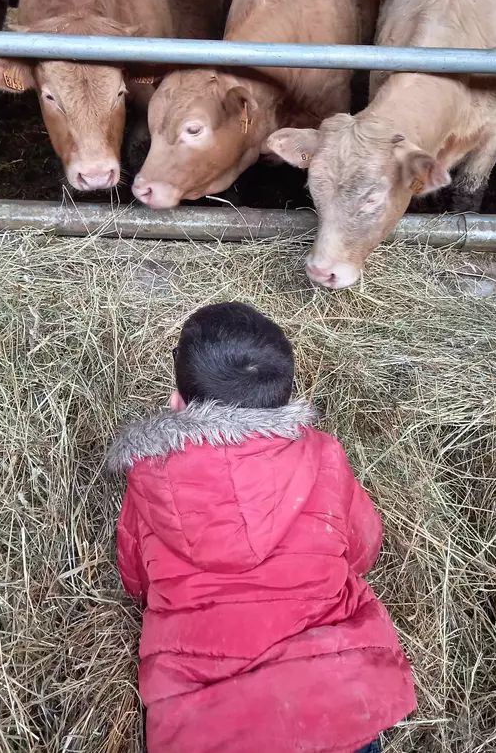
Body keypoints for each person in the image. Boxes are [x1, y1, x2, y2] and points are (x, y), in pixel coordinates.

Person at [107, 301, 416, 753]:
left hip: (205, 724)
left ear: (177, 404)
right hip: (336, 700)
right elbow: (363, 548)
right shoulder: (325, 456)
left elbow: (136, 578)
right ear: (284, 400)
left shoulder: (148, 476)